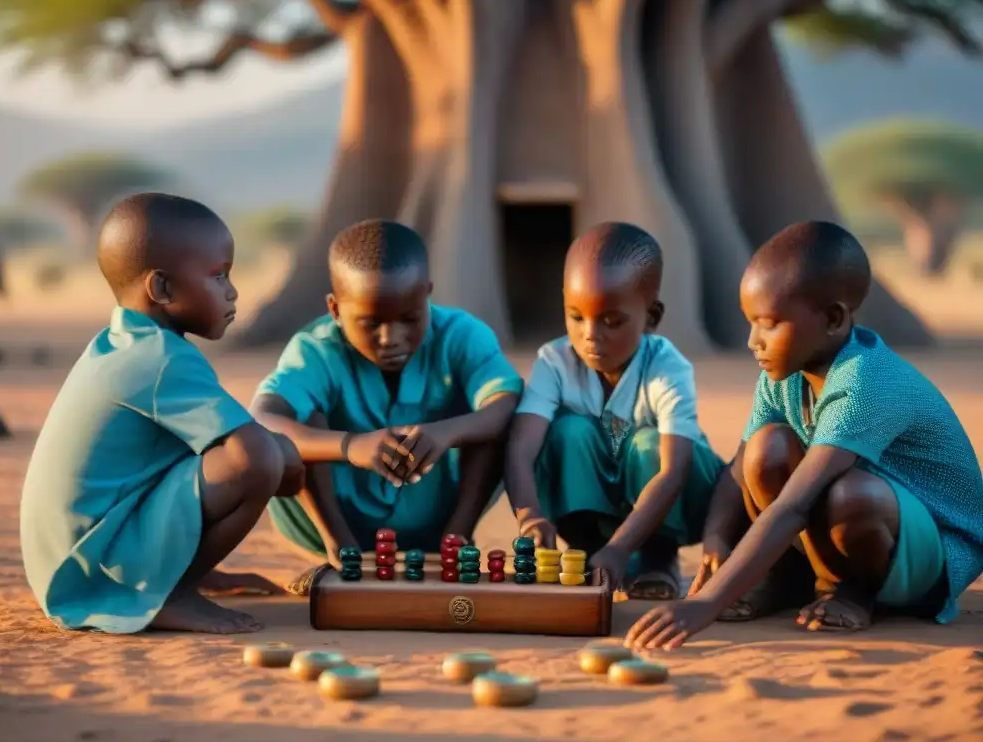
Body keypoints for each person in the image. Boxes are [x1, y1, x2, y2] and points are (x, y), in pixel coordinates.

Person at [626, 221, 983, 651]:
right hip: (854, 529)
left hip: (933, 558)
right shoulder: (787, 369)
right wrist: (717, 544)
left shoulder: (866, 383)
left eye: (769, 324)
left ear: (833, 318)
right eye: (750, 323)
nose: (753, 341)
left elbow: (796, 504)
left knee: (853, 495)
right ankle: (784, 579)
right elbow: (740, 471)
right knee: (766, 448)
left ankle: (849, 592)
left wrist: (706, 602)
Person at [20, 193, 303, 635]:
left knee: (264, 452)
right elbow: (251, 452)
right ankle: (168, 593)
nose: (233, 292)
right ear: (163, 288)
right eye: (219, 276)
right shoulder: (161, 358)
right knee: (262, 459)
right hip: (91, 570)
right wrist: (328, 453)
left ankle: (179, 576)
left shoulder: (126, 341)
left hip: (68, 561)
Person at [250, 219, 523, 579]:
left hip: (434, 512)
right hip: (333, 519)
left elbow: (506, 400)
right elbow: (263, 417)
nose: (391, 337)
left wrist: (447, 433)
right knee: (303, 419)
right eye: (370, 322)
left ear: (427, 293)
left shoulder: (461, 335)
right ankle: (341, 549)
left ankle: (455, 541)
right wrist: (350, 446)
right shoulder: (315, 349)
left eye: (409, 318)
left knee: (500, 419)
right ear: (334, 310)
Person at [505, 222, 727, 598]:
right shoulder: (555, 361)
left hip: (670, 500)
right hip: (597, 505)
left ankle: (659, 559)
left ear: (651, 317)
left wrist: (623, 548)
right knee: (567, 432)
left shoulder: (666, 368)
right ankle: (588, 553)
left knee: (648, 445)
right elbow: (520, 449)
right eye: (576, 317)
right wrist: (529, 515)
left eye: (611, 321)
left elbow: (673, 471)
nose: (590, 334)